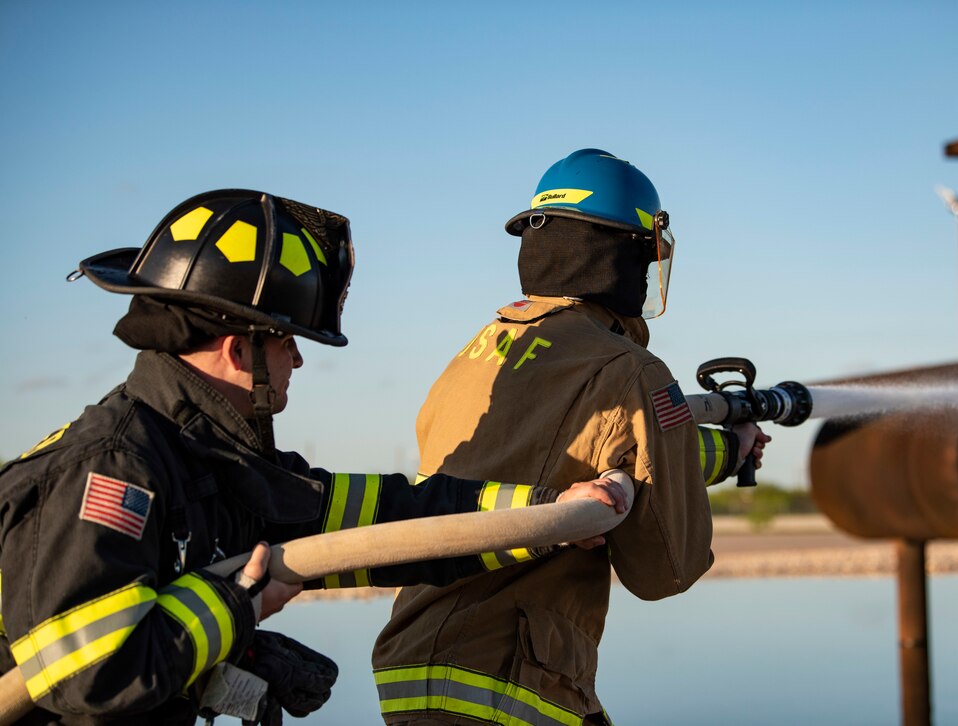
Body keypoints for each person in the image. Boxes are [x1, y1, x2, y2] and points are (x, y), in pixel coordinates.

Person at [0, 189, 627, 725]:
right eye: (285, 342)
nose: (297, 361)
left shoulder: (222, 462)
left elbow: (397, 518)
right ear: (235, 347)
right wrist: (237, 610)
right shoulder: (111, 469)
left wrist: (549, 515)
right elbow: (93, 676)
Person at [372, 149, 771, 725]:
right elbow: (666, 568)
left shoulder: (477, 355)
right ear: (627, 255)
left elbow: (570, 457)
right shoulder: (627, 370)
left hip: (414, 665)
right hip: (507, 679)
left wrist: (727, 451)